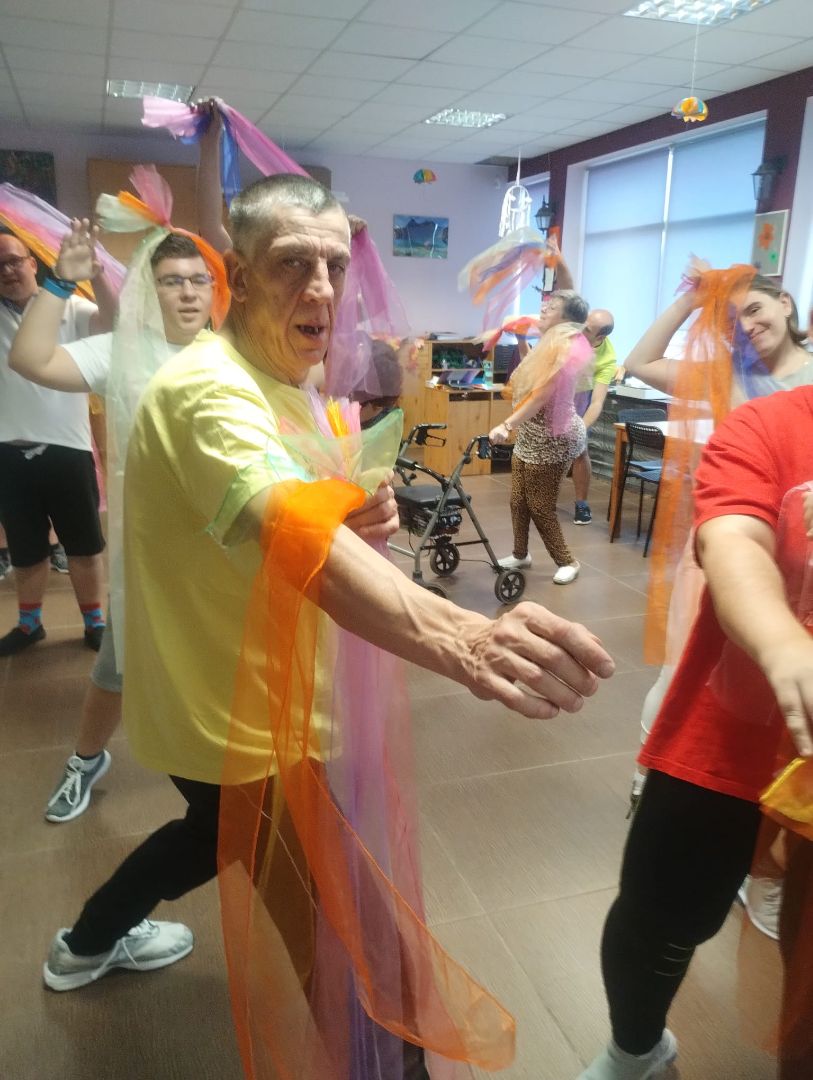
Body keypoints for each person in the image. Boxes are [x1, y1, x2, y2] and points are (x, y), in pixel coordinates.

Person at [43, 175, 614, 1078]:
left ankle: (87, 940)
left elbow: (290, 500)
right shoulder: (204, 391)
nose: (319, 287)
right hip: (234, 713)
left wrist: (350, 506)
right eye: (290, 264)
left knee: (216, 837)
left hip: (255, 689)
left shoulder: (284, 377)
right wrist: (461, 635)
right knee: (352, 940)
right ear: (240, 276)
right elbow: (280, 519)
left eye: (333, 265)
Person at [578, 386, 813, 1079]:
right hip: (736, 728)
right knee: (658, 914)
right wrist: (782, 644)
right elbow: (732, 541)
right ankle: (634, 1049)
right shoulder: (771, 425)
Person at [9, 223, 215, 823]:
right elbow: (30, 358)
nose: (187, 293)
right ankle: (86, 759)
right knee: (117, 666)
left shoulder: (232, 353)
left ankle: (222, 771)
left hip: (223, 544)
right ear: (148, 291)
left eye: (198, 280)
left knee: (218, 660)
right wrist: (58, 282)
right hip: (149, 549)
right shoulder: (123, 349)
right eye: (171, 282)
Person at [0, 231, 115, 655]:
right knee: (26, 550)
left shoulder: (69, 306)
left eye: (15, 261)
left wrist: (97, 275)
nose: (8, 271)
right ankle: (29, 625)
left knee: (84, 545)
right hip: (8, 453)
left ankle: (95, 623)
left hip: (68, 449)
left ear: (33, 262)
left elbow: (114, 324)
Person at [491, 288, 591, 585]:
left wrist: (507, 425)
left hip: (553, 438)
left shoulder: (566, 348)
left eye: (552, 307)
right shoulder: (549, 342)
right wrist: (522, 339)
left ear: (567, 320)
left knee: (540, 505)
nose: (544, 310)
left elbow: (540, 395)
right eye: (545, 305)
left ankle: (568, 561)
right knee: (517, 501)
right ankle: (520, 554)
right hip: (531, 434)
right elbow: (530, 367)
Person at [572, 308, 617, 525]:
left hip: (580, 398)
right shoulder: (570, 334)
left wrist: (580, 427)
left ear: (600, 337)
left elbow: (597, 401)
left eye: (587, 329)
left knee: (580, 450)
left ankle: (581, 504)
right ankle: (538, 499)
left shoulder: (607, 358)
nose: (581, 329)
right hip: (552, 392)